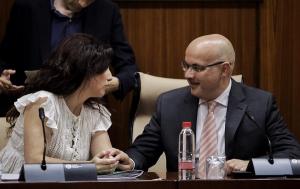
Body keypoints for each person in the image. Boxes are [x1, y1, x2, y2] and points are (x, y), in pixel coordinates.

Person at [125, 34, 300, 176]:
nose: (188, 74)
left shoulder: (259, 104)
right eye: (185, 65)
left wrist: (250, 165)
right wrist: (128, 161)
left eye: (197, 68)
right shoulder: (169, 104)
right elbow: (142, 151)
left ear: (225, 69)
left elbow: (293, 154)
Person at [0, 33, 133, 173]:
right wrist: (88, 167)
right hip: (18, 184)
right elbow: (35, 162)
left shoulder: (95, 111)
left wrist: (116, 160)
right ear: (83, 73)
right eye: (103, 69)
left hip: (64, 186)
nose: (110, 76)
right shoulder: (43, 103)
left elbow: (104, 156)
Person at [0, 0, 137, 115]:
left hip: (86, 111)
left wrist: (116, 83)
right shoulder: (27, 7)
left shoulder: (107, 11)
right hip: (32, 108)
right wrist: (2, 77)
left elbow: (129, 69)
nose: (84, 2)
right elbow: (5, 58)